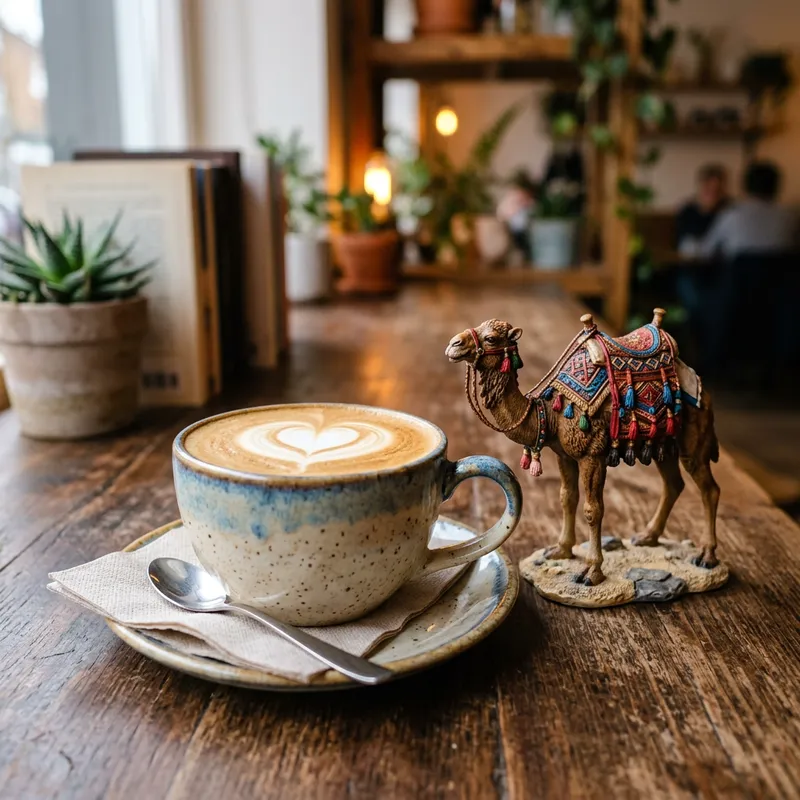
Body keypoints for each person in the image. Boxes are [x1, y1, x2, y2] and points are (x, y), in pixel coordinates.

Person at [698, 161, 799, 258]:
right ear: (777, 186)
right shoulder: (791, 217)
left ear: (745, 187)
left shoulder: (731, 215)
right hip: (779, 275)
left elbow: (707, 251)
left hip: (738, 274)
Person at [675, 164, 730, 254]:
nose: (712, 195)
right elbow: (682, 244)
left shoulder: (729, 211)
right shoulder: (687, 212)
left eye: (717, 190)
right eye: (708, 190)